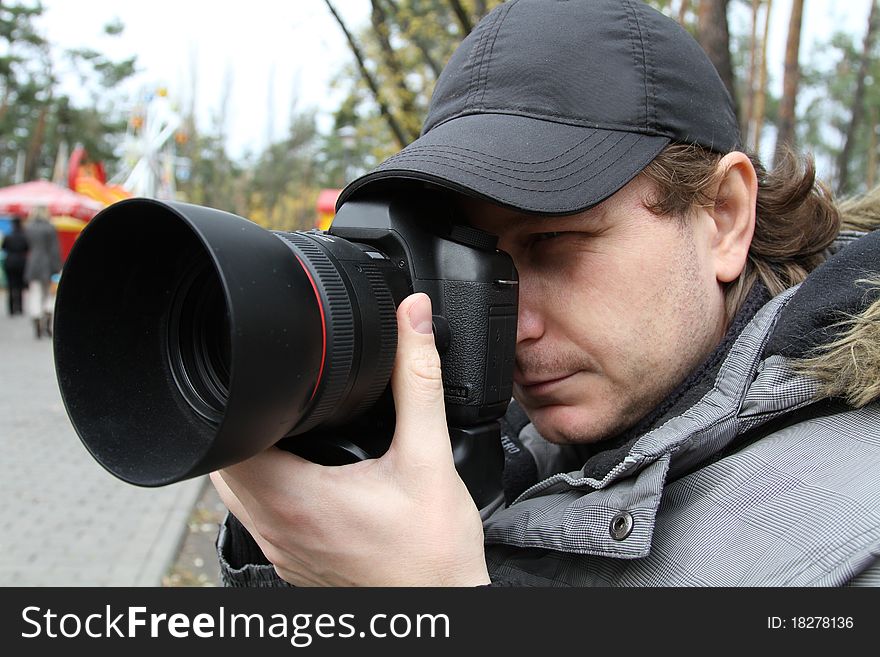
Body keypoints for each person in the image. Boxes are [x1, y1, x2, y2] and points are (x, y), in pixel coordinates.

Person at [211, 0, 880, 586]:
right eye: (476, 264)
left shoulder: (852, 529)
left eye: (555, 245)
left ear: (724, 216)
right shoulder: (492, 444)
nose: (515, 324)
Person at [23, 205, 62, 339]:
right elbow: (54, 250)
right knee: (49, 295)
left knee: (35, 293)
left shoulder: (28, 228)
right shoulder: (50, 228)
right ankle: (46, 318)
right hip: (48, 264)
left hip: (32, 264)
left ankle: (36, 318)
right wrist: (57, 269)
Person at [1, 217, 29, 316]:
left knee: (11, 286)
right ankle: (20, 308)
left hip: (10, 262)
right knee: (20, 286)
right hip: (21, 262)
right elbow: (27, 247)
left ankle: (11, 309)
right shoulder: (24, 236)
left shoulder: (8, 236)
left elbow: (4, 247)